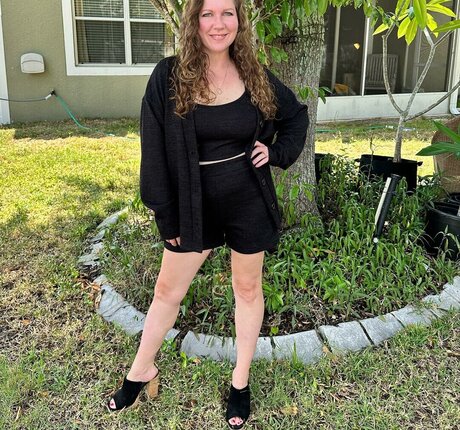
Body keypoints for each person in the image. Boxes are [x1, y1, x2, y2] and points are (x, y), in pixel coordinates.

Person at [106, 0, 308, 428]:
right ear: (194, 21)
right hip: (192, 204)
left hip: (247, 200)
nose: (219, 24)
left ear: (239, 20)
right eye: (208, 14)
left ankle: (240, 382)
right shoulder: (169, 76)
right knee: (167, 291)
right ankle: (142, 369)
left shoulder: (254, 74)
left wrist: (275, 153)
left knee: (247, 290)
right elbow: (153, 151)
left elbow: (296, 117)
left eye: (227, 13)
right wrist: (166, 216)